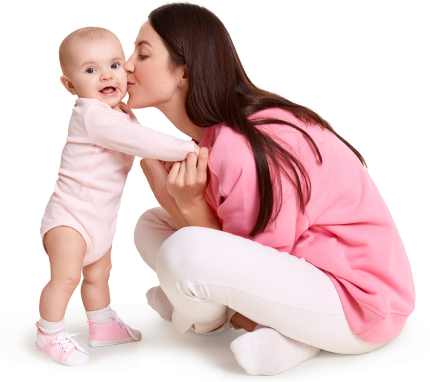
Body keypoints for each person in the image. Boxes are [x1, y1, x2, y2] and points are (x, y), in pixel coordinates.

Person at [129, 3, 416, 376]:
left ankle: (219, 319)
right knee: (151, 225)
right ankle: (226, 317)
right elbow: (235, 254)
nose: (128, 64)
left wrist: (186, 201)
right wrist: (174, 197)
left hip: (358, 304)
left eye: (143, 53)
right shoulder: (214, 136)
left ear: (183, 72)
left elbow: (241, 254)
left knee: (182, 252)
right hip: (304, 272)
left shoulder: (239, 144)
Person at [36, 26, 199, 366]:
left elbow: (139, 135)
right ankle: (49, 333)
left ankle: (102, 324)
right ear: (70, 85)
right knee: (66, 277)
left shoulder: (120, 113)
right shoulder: (93, 115)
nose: (106, 75)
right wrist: (190, 148)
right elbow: (144, 142)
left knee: (99, 273)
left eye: (113, 65)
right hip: (70, 217)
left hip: (99, 218)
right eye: (90, 70)